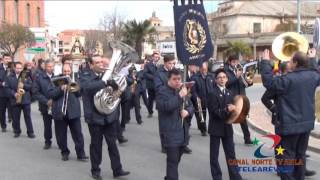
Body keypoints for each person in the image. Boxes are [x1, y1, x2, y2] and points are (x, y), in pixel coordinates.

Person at [261, 49, 320, 180]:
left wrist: (265, 62)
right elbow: (317, 72)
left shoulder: (287, 79)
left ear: (295, 62)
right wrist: (312, 59)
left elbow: (269, 83)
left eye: (291, 59)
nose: (289, 61)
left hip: (289, 126)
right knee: (300, 156)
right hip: (306, 126)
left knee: (286, 160)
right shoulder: (313, 76)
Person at [80, 55, 130, 180]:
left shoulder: (107, 74)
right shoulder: (85, 75)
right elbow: (87, 88)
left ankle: (117, 170)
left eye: (102, 62)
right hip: (94, 117)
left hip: (109, 115)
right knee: (96, 145)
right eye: (97, 62)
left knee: (112, 143)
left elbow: (119, 90)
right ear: (91, 65)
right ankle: (95, 170)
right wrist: (105, 82)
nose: (101, 64)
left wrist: (119, 86)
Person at [156, 69, 194, 180]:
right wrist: (179, 96)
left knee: (175, 161)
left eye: (179, 79)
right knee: (172, 162)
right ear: (169, 79)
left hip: (183, 132)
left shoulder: (182, 91)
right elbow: (165, 107)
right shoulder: (161, 92)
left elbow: (190, 106)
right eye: (174, 79)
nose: (177, 81)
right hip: (169, 132)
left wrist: (188, 112)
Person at [48, 63, 88, 161]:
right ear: (62, 71)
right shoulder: (55, 80)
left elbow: (79, 94)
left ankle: (81, 154)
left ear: (71, 71)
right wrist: (60, 89)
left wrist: (74, 87)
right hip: (59, 111)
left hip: (73, 111)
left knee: (78, 134)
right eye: (65, 71)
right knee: (61, 135)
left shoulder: (76, 79)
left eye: (68, 71)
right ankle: (64, 152)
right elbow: (50, 94)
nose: (66, 73)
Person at [207, 69, 242, 180]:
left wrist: (238, 112)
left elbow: (233, 113)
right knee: (214, 156)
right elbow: (215, 112)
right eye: (219, 77)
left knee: (231, 154)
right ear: (216, 80)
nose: (222, 79)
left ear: (227, 79)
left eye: (224, 77)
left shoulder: (230, 93)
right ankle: (217, 177)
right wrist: (227, 109)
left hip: (227, 128)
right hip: (215, 128)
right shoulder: (212, 93)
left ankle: (235, 177)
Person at [224, 55, 253, 144]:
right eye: (234, 62)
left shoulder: (240, 70)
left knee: (243, 118)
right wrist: (236, 77)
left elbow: (245, 84)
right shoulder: (225, 71)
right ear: (229, 62)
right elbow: (227, 84)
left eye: (237, 61)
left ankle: (247, 139)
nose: (236, 63)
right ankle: (229, 139)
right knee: (230, 118)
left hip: (241, 98)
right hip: (232, 98)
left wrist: (250, 82)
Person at [5, 62, 35, 138]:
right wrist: (14, 94)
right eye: (17, 68)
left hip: (25, 100)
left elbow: (30, 86)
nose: (19, 69)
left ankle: (30, 132)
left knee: (27, 117)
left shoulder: (26, 76)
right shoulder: (9, 77)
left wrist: (23, 85)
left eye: (20, 68)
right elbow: (7, 88)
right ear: (14, 68)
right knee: (16, 117)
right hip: (15, 100)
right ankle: (17, 131)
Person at [32, 60, 55, 149]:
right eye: (49, 66)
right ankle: (47, 141)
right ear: (45, 67)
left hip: (56, 105)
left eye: (52, 66)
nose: (51, 68)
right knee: (47, 125)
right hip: (45, 106)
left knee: (59, 126)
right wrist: (46, 101)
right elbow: (35, 92)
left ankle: (61, 143)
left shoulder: (58, 77)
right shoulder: (39, 77)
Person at [191, 61, 214, 136]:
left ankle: (212, 129)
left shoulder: (211, 76)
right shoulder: (194, 77)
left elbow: (214, 87)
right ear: (199, 68)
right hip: (200, 99)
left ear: (207, 68)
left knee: (213, 116)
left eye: (205, 68)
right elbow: (193, 91)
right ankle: (203, 130)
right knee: (201, 115)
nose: (203, 70)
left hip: (210, 99)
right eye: (202, 68)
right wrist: (196, 98)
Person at [144, 51, 160, 117]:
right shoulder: (148, 65)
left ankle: (160, 113)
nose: (156, 58)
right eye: (155, 57)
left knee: (159, 100)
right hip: (151, 85)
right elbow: (145, 74)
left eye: (157, 57)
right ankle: (150, 112)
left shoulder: (159, 65)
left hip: (158, 86)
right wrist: (153, 77)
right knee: (150, 100)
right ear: (152, 57)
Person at [0, 53, 13, 132]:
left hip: (10, 93)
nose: (8, 60)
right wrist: (2, 84)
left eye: (9, 59)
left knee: (13, 110)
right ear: (3, 59)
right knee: (2, 111)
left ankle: (15, 126)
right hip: (1, 93)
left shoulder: (12, 68)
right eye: (6, 59)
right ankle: (3, 126)